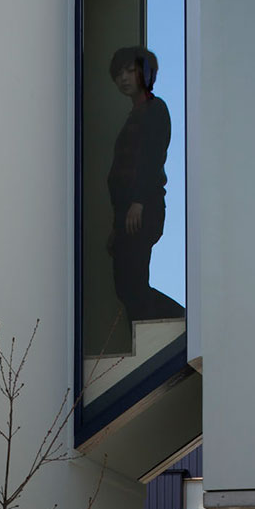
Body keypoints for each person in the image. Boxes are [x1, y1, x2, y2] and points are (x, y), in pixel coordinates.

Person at [106, 46, 184, 327]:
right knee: (126, 285)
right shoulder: (135, 115)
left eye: (131, 70)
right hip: (127, 212)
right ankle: (162, 327)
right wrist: (118, 224)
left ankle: (179, 321)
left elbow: (152, 158)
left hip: (143, 208)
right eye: (119, 73)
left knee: (134, 284)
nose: (124, 78)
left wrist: (139, 201)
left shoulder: (155, 109)